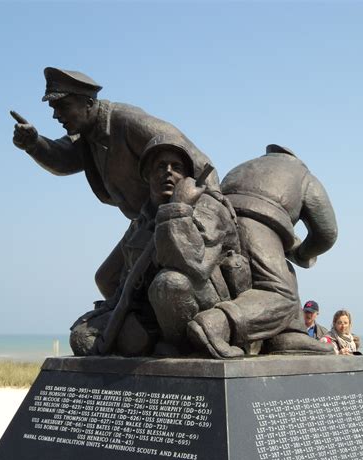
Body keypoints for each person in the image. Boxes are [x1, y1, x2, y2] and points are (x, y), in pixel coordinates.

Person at [11, 67, 219, 300]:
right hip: (145, 221)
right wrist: (34, 144)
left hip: (175, 219)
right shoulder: (88, 136)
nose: (56, 115)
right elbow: (62, 159)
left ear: (88, 103)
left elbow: (202, 165)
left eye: (62, 107)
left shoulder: (129, 122)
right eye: (54, 109)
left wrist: (209, 219)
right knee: (107, 279)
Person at [70, 135, 241, 357]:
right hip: (151, 311)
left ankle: (183, 346)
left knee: (169, 283)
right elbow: (127, 278)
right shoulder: (140, 222)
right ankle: (153, 340)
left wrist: (178, 208)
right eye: (160, 166)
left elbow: (195, 267)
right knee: (81, 337)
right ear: (147, 175)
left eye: (176, 167)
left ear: (187, 177)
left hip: (202, 303)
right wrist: (116, 312)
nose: (168, 172)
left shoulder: (208, 209)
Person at [186, 144, 338, 357]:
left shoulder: (243, 166)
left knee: (284, 274)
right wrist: (302, 253)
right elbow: (327, 234)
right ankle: (216, 324)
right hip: (258, 225)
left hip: (219, 223)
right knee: (281, 295)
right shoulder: (302, 174)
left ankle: (287, 335)